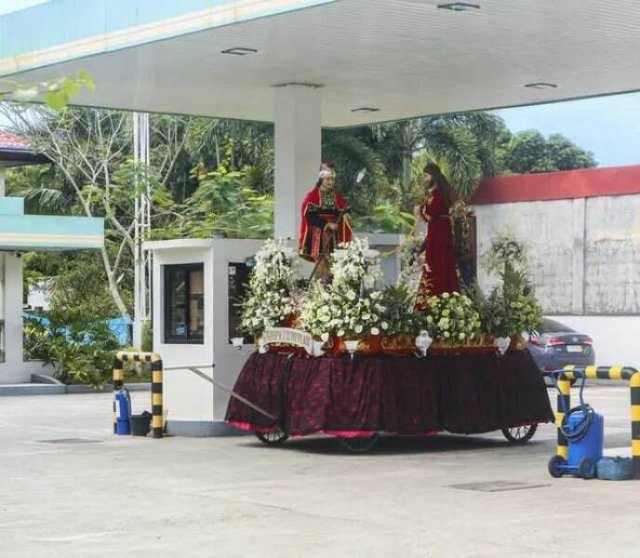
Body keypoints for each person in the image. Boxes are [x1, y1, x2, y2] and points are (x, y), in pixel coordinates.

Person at [299, 162, 352, 278]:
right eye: (328, 179)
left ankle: (331, 288)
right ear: (321, 178)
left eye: (332, 179)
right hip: (318, 236)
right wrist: (327, 224)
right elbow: (310, 216)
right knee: (321, 264)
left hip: (334, 237)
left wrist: (346, 213)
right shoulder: (313, 195)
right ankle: (318, 287)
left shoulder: (336, 196)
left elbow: (341, 211)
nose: (330, 182)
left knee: (333, 265)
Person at [417, 162, 460, 298]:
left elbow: (430, 214)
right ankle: (445, 292)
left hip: (438, 233)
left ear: (433, 176)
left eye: (427, 176)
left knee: (436, 262)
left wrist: (422, 208)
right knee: (444, 261)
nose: (426, 179)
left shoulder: (437, 194)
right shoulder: (442, 192)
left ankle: (436, 294)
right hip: (442, 230)